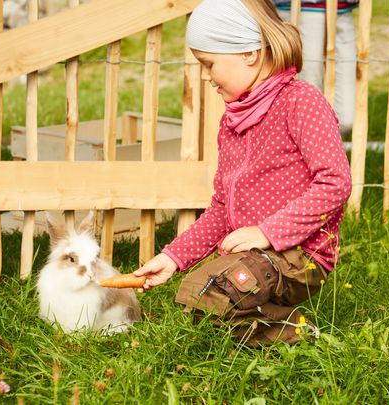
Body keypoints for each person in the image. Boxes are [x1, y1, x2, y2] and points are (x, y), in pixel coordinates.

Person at [134, 0, 352, 347]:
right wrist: (172, 258)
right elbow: (221, 208)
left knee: (220, 287)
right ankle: (285, 332)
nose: (206, 76)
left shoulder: (301, 102)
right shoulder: (233, 122)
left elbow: (335, 183)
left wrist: (269, 231)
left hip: (301, 252)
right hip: (254, 255)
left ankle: (296, 335)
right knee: (200, 301)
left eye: (209, 63)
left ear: (248, 52)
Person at [273, 0, 359, 134]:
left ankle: (323, 148)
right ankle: (306, 149)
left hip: (342, 8)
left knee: (345, 118)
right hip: (303, 8)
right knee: (309, 110)